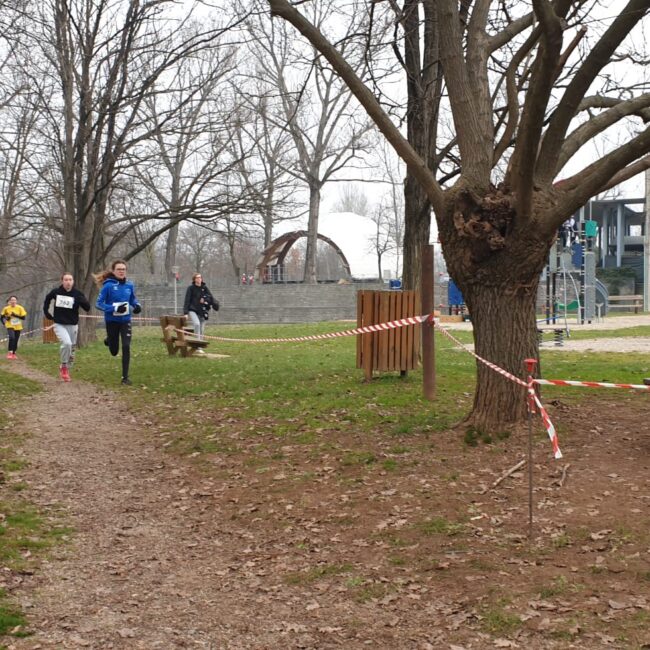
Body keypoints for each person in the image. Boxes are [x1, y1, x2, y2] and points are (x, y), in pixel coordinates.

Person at [94, 259, 141, 385]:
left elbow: (132, 299)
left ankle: (125, 377)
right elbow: (98, 304)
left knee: (126, 346)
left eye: (123, 269)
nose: (121, 271)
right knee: (114, 351)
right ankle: (109, 340)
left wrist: (137, 305)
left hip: (126, 320)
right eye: (119, 269)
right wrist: (114, 308)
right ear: (114, 271)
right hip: (112, 321)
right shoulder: (108, 286)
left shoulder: (129, 285)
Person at [43, 273, 91, 382]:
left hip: (73, 324)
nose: (68, 282)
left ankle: (67, 368)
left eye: (70, 279)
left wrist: (83, 301)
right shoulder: (56, 292)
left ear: (73, 281)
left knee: (72, 349)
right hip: (59, 323)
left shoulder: (77, 294)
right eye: (66, 280)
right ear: (62, 281)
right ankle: (64, 366)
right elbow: (47, 299)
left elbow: (87, 307)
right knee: (67, 343)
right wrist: (46, 312)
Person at [183, 273, 218, 354]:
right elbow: (187, 300)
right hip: (193, 310)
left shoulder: (204, 288)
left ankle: (199, 347)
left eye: (200, 278)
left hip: (202, 311)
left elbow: (210, 297)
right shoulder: (190, 288)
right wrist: (186, 312)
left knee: (201, 329)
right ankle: (197, 345)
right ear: (194, 279)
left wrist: (206, 300)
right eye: (197, 278)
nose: (199, 279)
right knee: (197, 324)